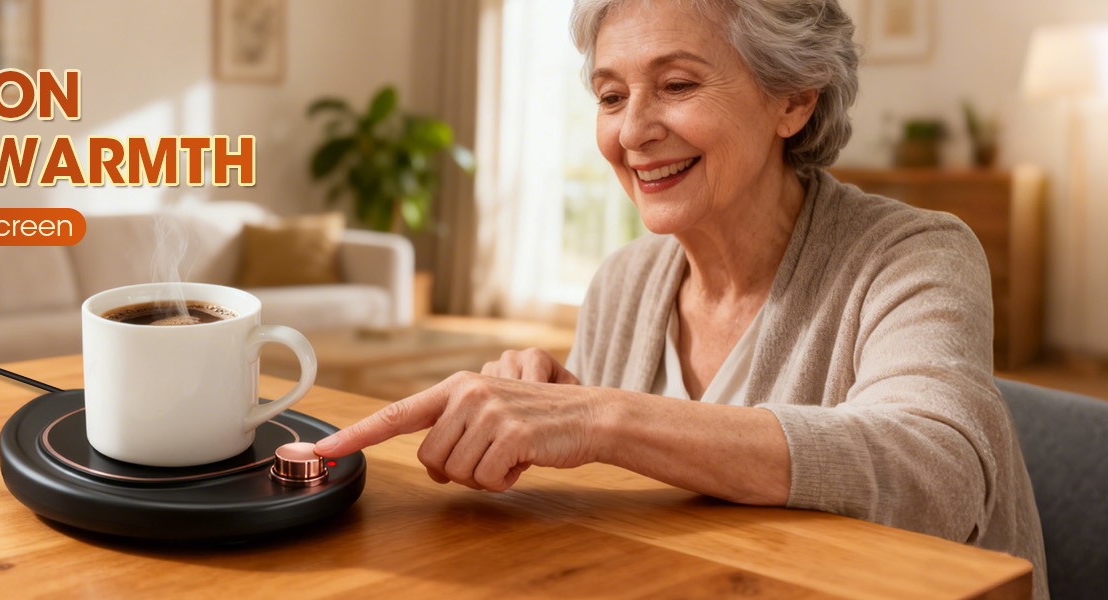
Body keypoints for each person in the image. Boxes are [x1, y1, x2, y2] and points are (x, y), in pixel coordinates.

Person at [313, 0, 1047, 597]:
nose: (632, 130)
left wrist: (601, 416)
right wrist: (549, 415)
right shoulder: (626, 282)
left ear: (793, 98)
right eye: (610, 95)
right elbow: (615, 498)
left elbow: (938, 476)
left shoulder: (915, 254)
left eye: (678, 85)